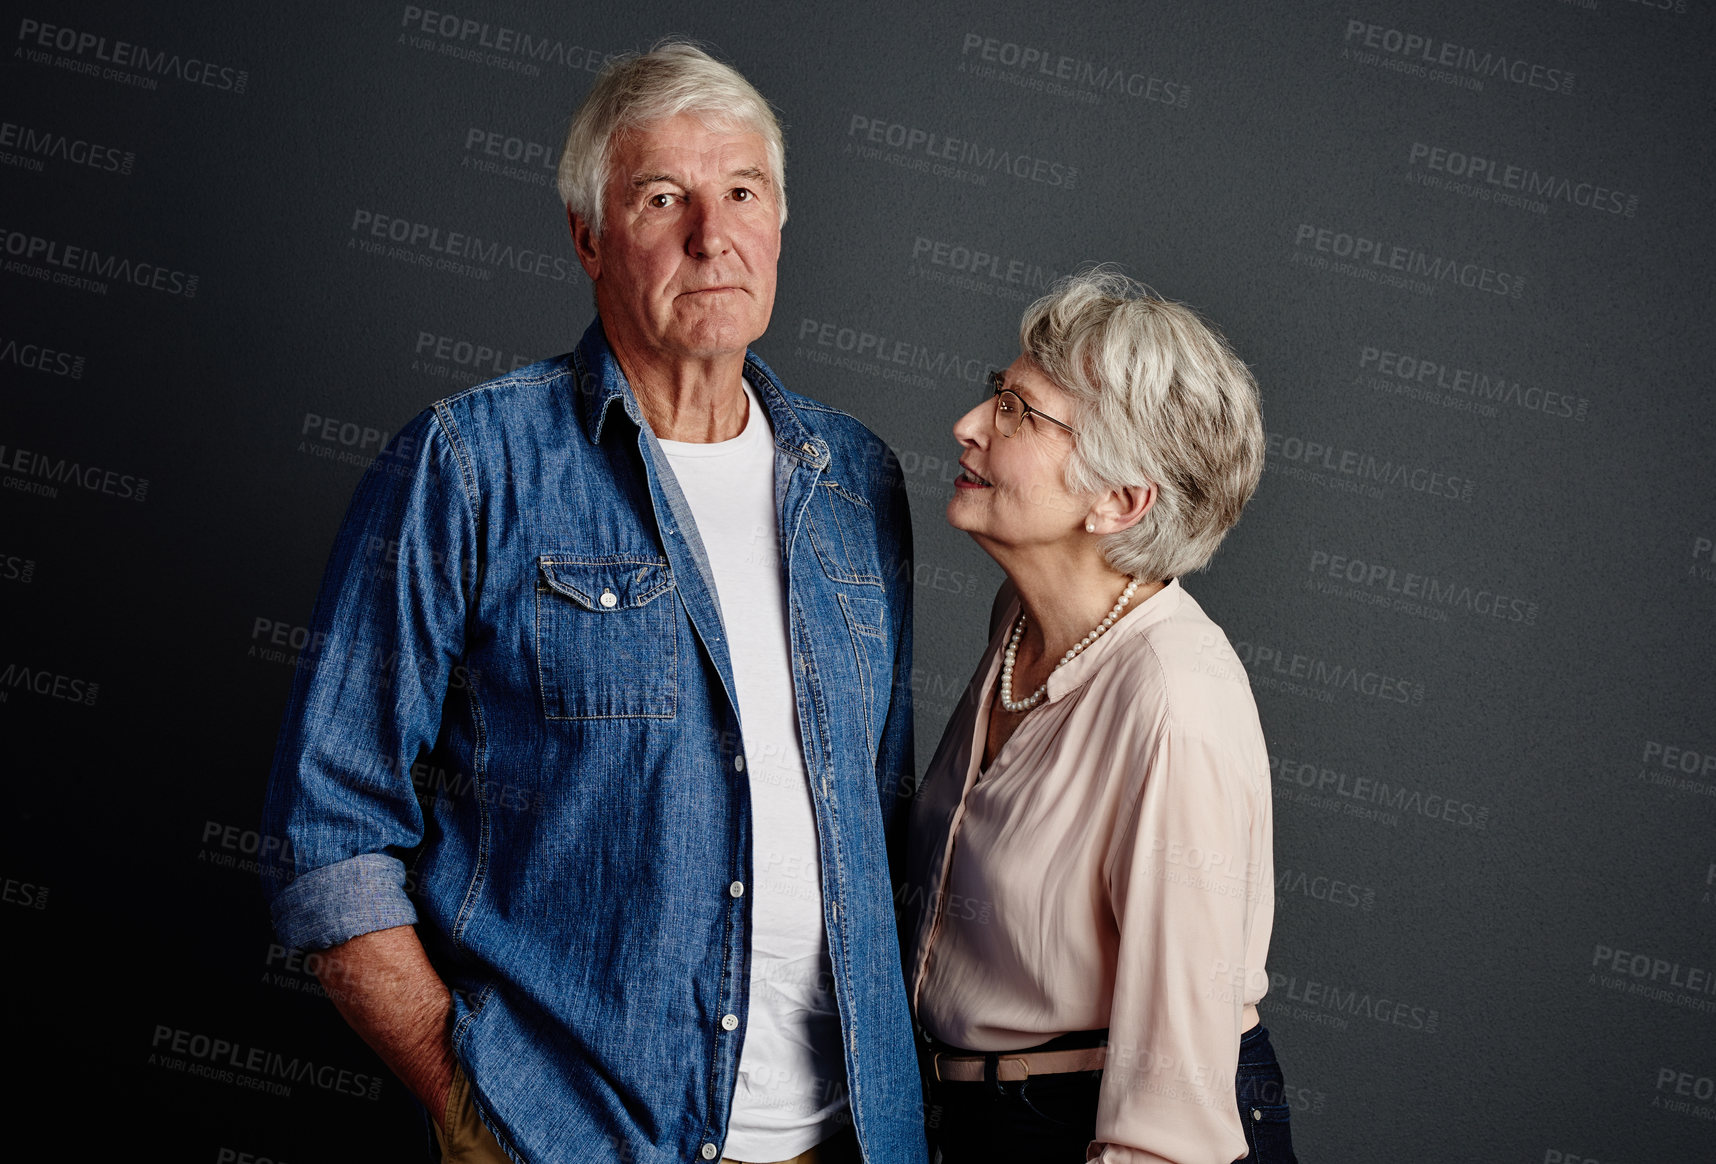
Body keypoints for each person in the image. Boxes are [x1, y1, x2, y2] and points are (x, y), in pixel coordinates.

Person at [262, 43, 926, 1164]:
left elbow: (886, 828)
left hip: (851, 1140)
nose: (712, 236)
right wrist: (478, 1113)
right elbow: (329, 837)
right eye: (663, 198)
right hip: (577, 1141)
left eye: (743, 194)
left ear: (778, 226)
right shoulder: (471, 465)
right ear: (588, 237)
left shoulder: (856, 481)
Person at [901, 269, 1297, 1163]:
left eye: (1016, 412)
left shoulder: (1172, 699)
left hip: (1098, 1129)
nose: (968, 423)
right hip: (977, 1123)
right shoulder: (1024, 624)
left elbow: (1175, 1120)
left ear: (1120, 499)